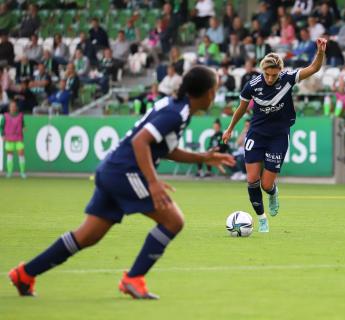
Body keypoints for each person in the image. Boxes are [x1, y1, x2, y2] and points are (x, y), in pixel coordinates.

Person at [8, 66, 235, 299]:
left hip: (113, 170)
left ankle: (24, 274)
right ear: (207, 93)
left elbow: (164, 148)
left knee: (87, 236)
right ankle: (133, 279)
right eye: (215, 90)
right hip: (126, 173)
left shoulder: (177, 108)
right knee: (173, 221)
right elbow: (140, 142)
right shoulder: (176, 113)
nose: (215, 95)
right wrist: (153, 182)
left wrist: (202, 158)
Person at [222, 38, 328, 232]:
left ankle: (272, 192)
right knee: (252, 179)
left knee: (266, 184)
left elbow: (313, 68)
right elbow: (241, 108)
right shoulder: (252, 85)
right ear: (263, 70)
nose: (270, 78)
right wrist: (230, 128)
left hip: (278, 136)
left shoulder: (288, 78)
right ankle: (262, 219)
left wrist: (320, 51)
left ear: (280, 70)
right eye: (267, 74)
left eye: (274, 74)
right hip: (256, 134)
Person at [1, 100, 26, 178]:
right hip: (9, 138)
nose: (13, 108)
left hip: (18, 137)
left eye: (14, 106)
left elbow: (23, 125)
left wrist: (24, 128)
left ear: (16, 107)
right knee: (9, 155)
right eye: (12, 106)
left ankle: (22, 172)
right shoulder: (5, 116)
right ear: (9, 108)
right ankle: (9, 172)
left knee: (21, 153)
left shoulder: (20, 116)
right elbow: (1, 127)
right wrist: (2, 135)